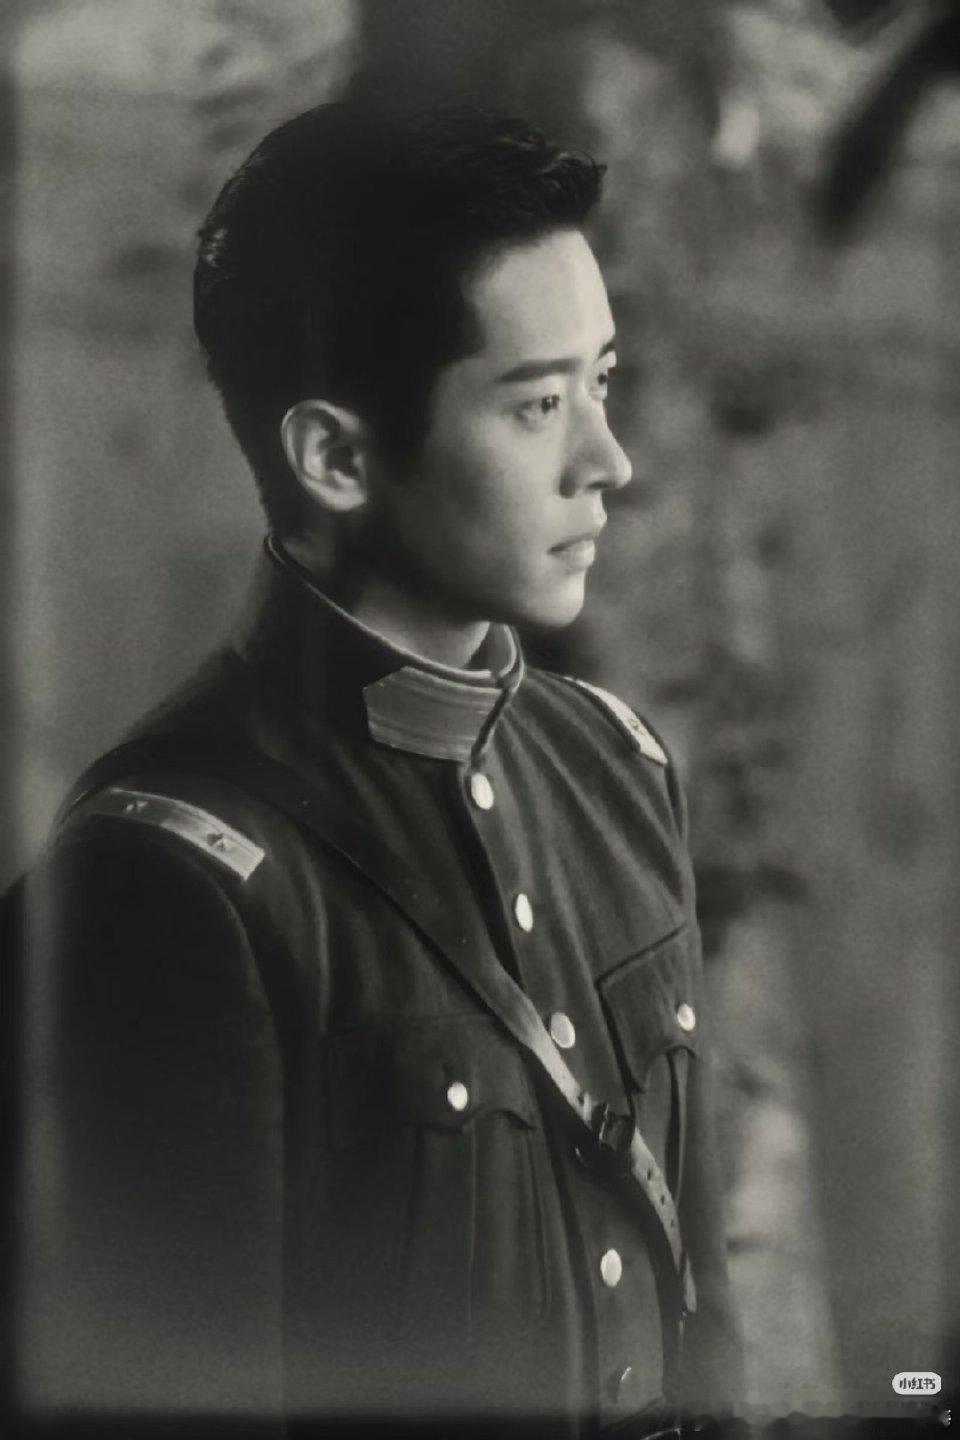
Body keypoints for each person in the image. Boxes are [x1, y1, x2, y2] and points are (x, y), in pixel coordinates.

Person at [8, 102, 743, 1438]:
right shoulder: (164, 886)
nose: (608, 462)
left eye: (602, 381)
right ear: (338, 457)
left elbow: (706, 1338)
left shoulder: (617, 771)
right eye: (538, 405)